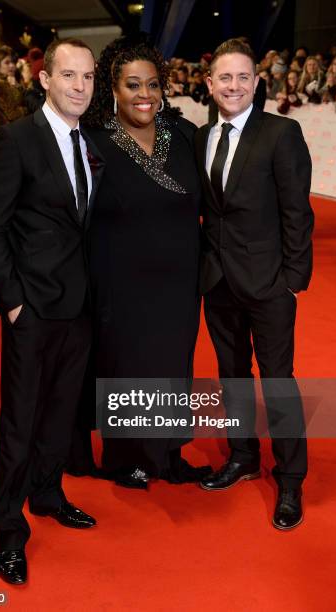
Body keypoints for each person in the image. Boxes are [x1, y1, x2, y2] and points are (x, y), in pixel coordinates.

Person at [0, 38, 103, 585]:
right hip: (32, 307)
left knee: (59, 413)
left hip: (79, 305)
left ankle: (47, 493)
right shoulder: (16, 139)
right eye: (69, 75)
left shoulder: (89, 140)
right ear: (45, 79)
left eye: (88, 77)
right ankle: (6, 524)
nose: (80, 86)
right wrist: (13, 302)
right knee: (20, 420)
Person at [73, 35, 210, 489]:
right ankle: (126, 457)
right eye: (133, 85)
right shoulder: (93, 140)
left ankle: (169, 454)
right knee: (127, 366)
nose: (144, 95)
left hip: (178, 281)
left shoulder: (186, 135)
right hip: (120, 279)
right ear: (113, 87)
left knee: (173, 365)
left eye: (152, 85)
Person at [194, 39, 314, 530]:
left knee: (278, 381)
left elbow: (297, 213)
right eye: (225, 77)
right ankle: (243, 456)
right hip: (217, 280)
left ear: (256, 81)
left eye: (244, 77)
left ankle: (290, 478)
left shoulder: (281, 133)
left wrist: (292, 281)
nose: (234, 85)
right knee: (232, 376)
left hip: (269, 283)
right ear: (209, 84)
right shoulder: (200, 137)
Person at [0, 46, 27, 126]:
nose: (12, 65)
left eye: (13, 62)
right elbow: (12, 114)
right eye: (7, 63)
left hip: (19, 129)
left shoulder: (14, 82)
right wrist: (29, 109)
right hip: (9, 133)